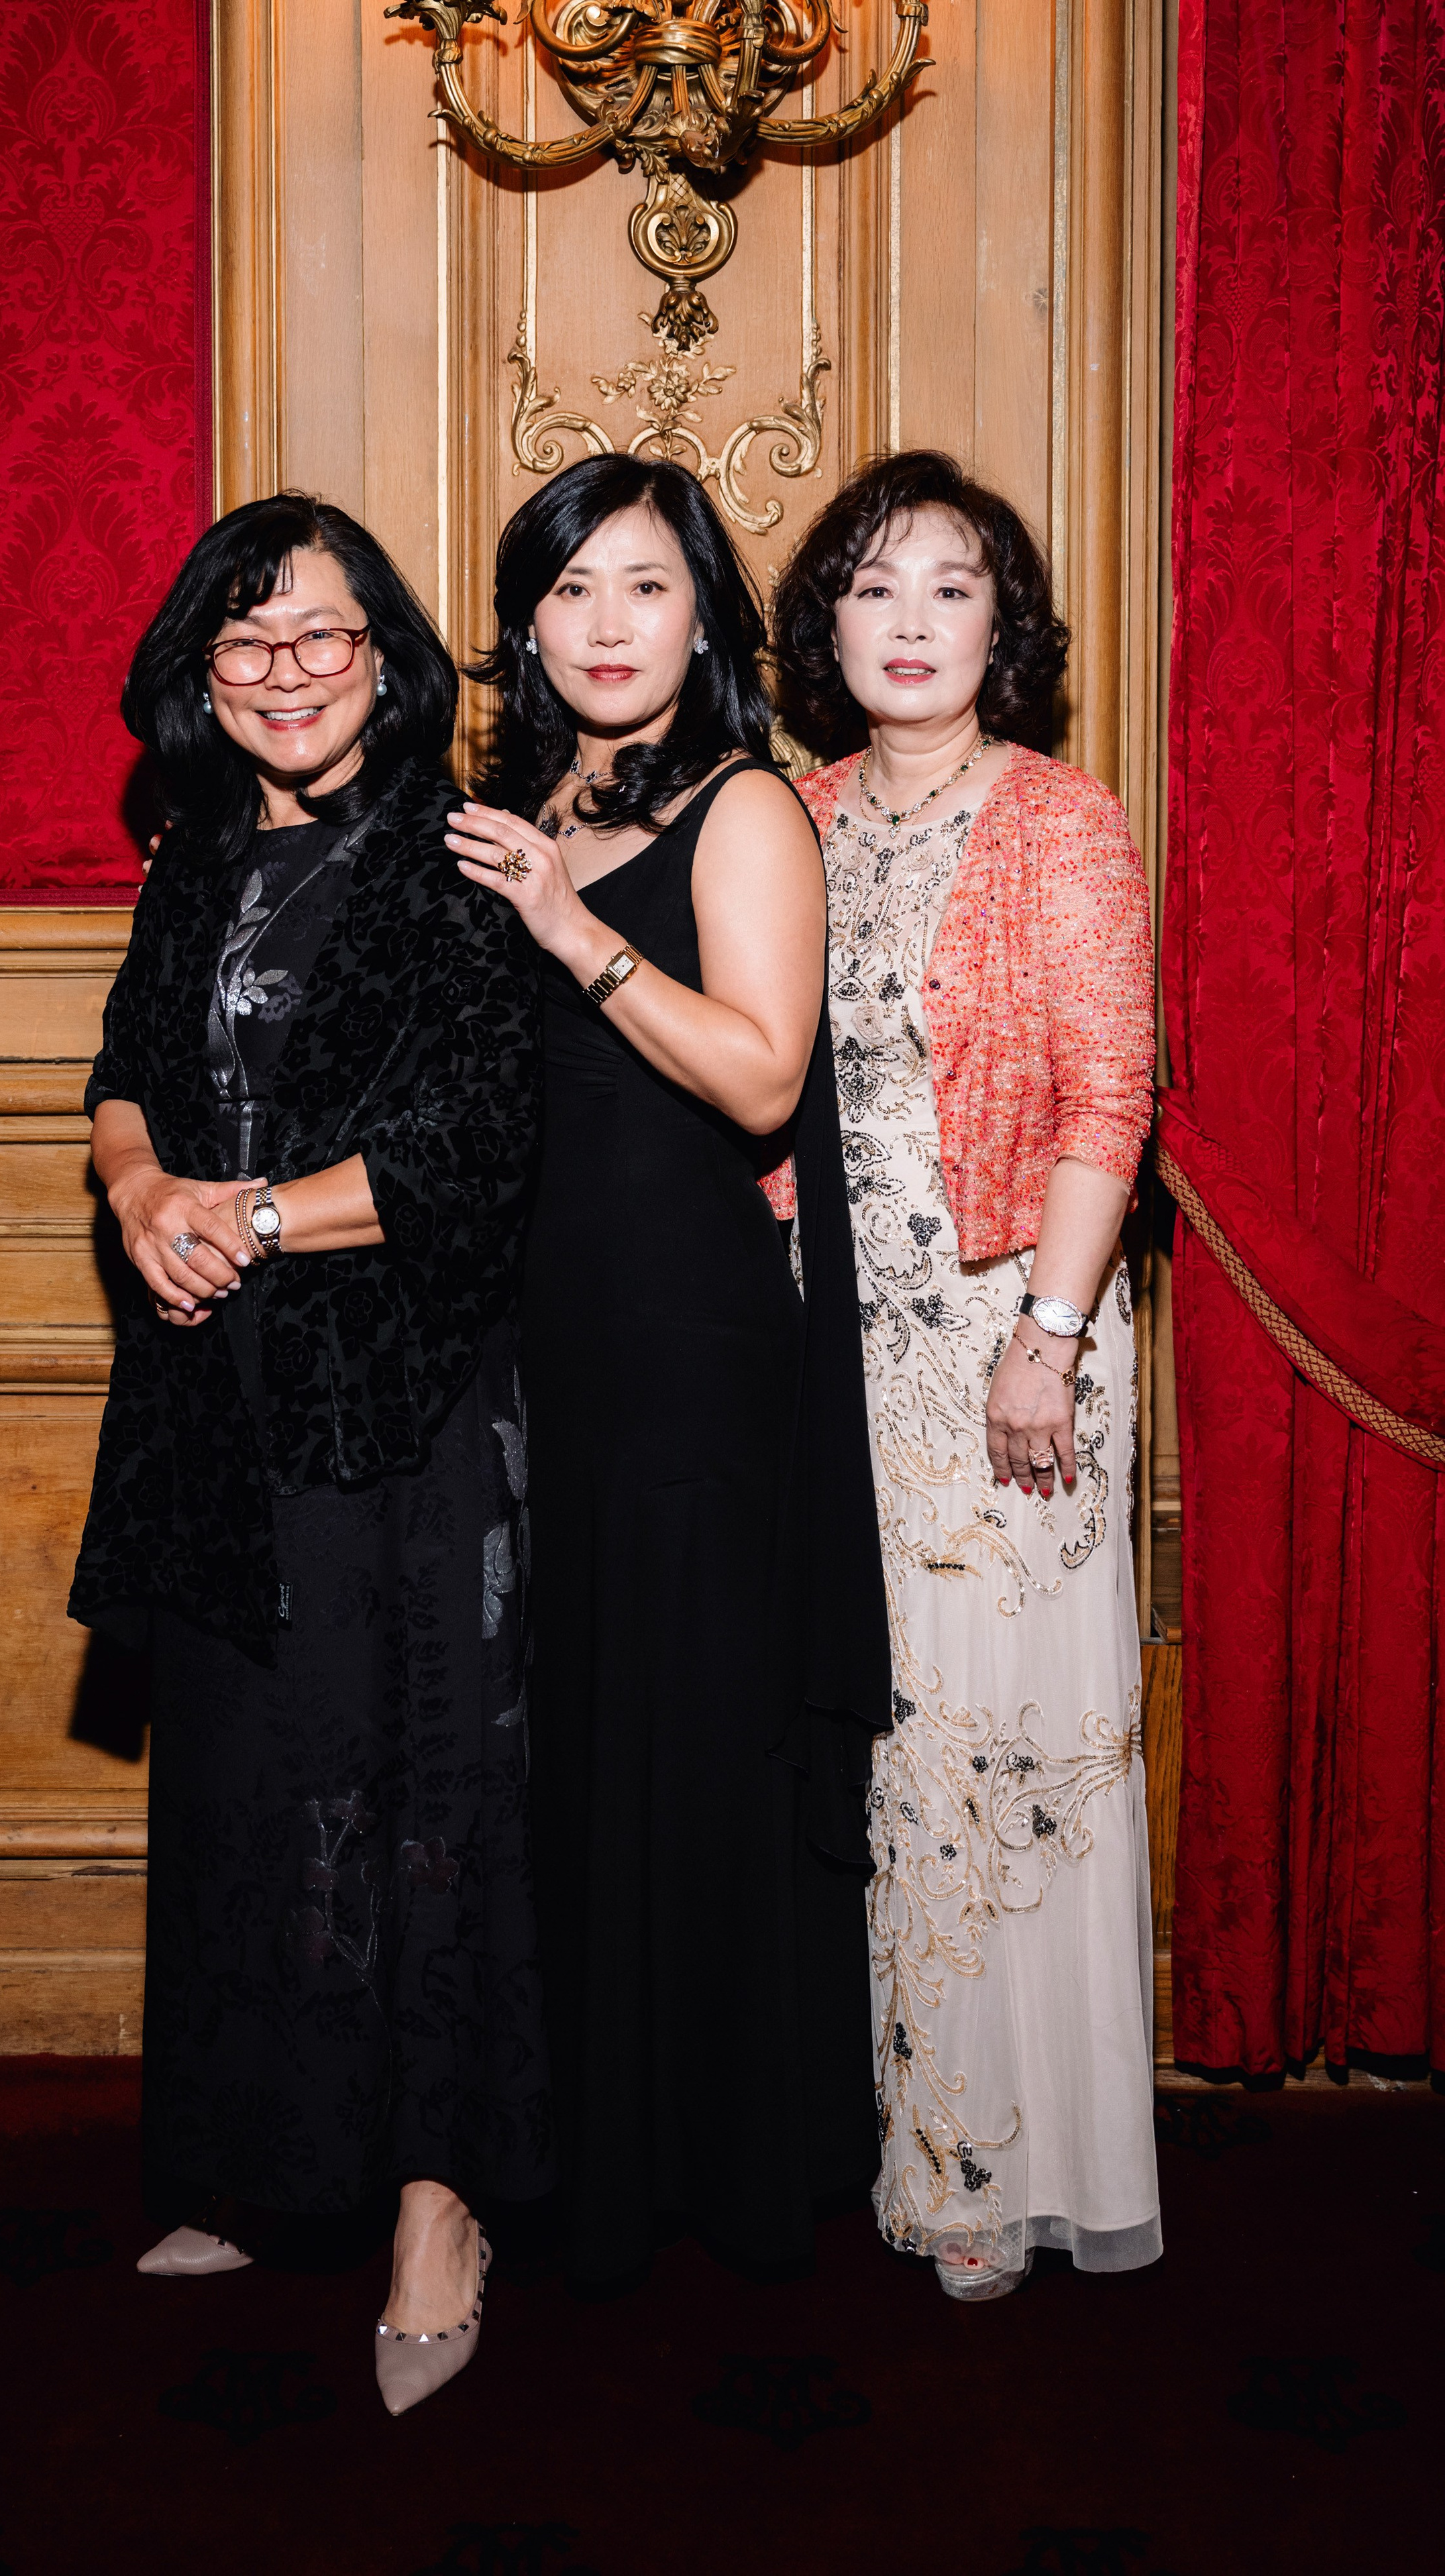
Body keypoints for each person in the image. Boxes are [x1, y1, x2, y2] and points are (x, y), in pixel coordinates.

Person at [68, 492, 552, 2412]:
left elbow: (468, 1156)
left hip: (402, 1395)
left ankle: (443, 2202)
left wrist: (245, 1217)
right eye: (241, 643)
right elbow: (122, 1071)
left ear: (389, 656)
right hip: (213, 1400)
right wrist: (136, 1196)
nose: (280, 672)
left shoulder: (451, 863)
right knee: (252, 1785)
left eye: (319, 634)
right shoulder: (195, 857)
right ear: (205, 675)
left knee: (415, 1793)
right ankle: (266, 2162)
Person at [446, 454, 888, 2288]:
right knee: (567, 1741)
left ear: (704, 611)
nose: (605, 626)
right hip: (533, 1339)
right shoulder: (518, 800)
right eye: (567, 593)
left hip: (694, 1350)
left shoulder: (747, 810)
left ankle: (724, 2158)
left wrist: (566, 926)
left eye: (642, 587)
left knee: (688, 1743)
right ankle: (578, 2157)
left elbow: (765, 1075)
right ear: (528, 626)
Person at [771, 449, 1163, 2299]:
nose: (910, 621)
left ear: (1004, 625)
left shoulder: (1060, 816)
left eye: (951, 586)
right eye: (871, 583)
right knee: (879, 1756)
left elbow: (1111, 1099)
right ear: (821, 623)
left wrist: (1049, 1343)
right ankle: (913, 2142)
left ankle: (1009, 2175)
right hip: (829, 1347)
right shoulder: (791, 811)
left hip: (1012, 1336)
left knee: (1003, 1763)